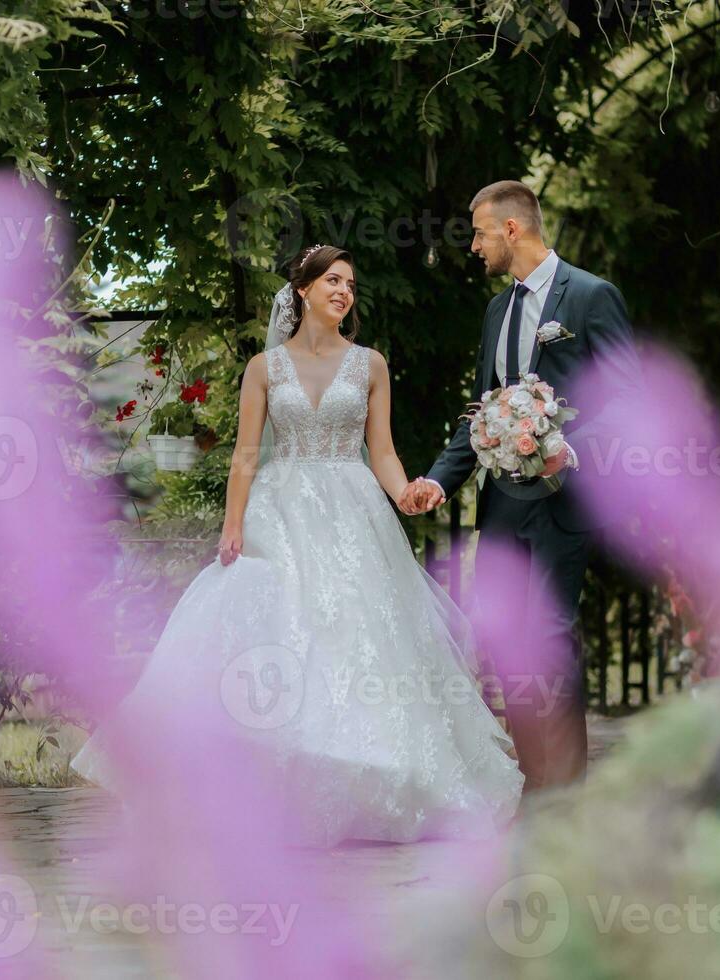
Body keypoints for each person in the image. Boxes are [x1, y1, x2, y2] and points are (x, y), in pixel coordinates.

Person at [71, 244, 522, 847]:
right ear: (303, 290)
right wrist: (233, 525)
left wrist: (407, 493)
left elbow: (383, 452)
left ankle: (376, 776)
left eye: (352, 285)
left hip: (353, 506)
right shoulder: (265, 368)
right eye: (333, 280)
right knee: (282, 629)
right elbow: (246, 453)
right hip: (278, 512)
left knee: (359, 635)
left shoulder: (370, 365)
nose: (344, 291)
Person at [401, 180, 642, 789]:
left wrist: (568, 449)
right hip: (503, 502)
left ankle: (565, 785)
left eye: (480, 233)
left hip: (565, 499)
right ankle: (532, 778)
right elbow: (484, 414)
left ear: (512, 229)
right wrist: (438, 478)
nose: (474, 247)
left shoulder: (590, 296)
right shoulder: (496, 310)